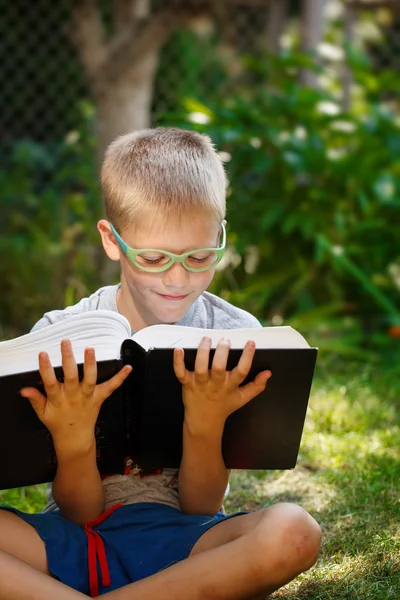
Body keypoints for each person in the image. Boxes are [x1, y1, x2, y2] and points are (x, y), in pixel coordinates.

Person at [0, 127, 321, 599]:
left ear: (221, 234)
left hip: (187, 546)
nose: (177, 277)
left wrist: (206, 423)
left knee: (295, 530)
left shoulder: (234, 335)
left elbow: (200, 506)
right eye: (153, 257)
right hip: (74, 541)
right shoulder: (61, 334)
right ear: (113, 241)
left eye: (200, 256)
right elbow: (79, 515)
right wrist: (72, 439)